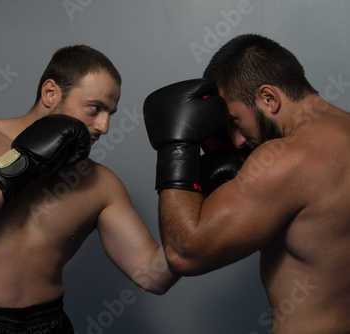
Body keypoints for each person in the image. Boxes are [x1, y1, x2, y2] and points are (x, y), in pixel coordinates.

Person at [0, 45, 179, 334]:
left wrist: (191, 188)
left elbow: (152, 275)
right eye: (95, 108)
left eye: (110, 114)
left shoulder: (101, 184)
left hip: (47, 324)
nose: (104, 126)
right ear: (50, 93)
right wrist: (26, 160)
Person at [143, 34, 350, 333]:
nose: (237, 140)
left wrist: (176, 146)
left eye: (235, 121)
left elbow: (184, 255)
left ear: (269, 98)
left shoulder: (284, 158)